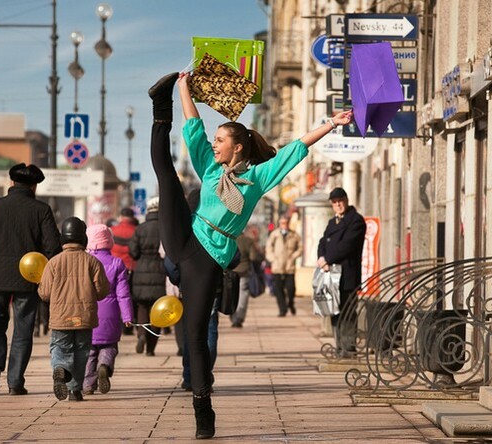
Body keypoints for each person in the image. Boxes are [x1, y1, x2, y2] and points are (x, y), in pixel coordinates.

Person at [147, 70, 352, 439]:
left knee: (194, 332)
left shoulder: (256, 178)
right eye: (215, 140)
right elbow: (193, 127)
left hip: (209, 255)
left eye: (221, 140)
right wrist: (182, 88)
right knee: (166, 176)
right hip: (187, 235)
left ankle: (202, 407)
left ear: (237, 147)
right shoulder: (209, 168)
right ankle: (159, 106)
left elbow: (294, 151)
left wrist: (331, 124)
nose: (214, 144)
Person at [0, 163, 61, 396]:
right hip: (28, 281)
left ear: (11, 183)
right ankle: (15, 381)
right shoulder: (41, 210)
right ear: (34, 186)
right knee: (23, 329)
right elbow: (53, 249)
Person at [38, 217, 110, 401]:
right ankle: (75, 391)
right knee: (81, 351)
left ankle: (60, 369)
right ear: (83, 239)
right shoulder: (92, 262)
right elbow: (102, 291)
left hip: (61, 317)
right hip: (84, 317)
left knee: (60, 347)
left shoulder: (53, 263)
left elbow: (44, 294)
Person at [83, 224, 133, 395]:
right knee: (109, 346)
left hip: (89, 313)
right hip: (111, 314)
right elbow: (123, 294)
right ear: (109, 241)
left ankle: (88, 385)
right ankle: (104, 366)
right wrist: (127, 316)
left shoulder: (86, 262)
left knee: (89, 352)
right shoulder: (117, 263)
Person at [317, 187, 366, 357]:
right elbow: (323, 241)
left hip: (347, 276)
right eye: (334, 202)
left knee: (347, 312)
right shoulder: (333, 222)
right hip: (332, 275)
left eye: (340, 201)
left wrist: (327, 259)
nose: (338, 205)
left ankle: (348, 348)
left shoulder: (356, 221)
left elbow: (347, 246)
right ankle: (339, 347)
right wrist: (321, 257)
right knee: (334, 312)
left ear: (346, 200)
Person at [129, 197, 166, 356]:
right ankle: (150, 349)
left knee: (142, 307)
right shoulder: (166, 228)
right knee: (157, 311)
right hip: (161, 272)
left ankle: (142, 334)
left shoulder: (140, 229)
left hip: (141, 271)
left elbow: (133, 252)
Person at [265, 216, 302, 317]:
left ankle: (290, 303)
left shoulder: (294, 235)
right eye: (282, 223)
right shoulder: (274, 235)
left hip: (289, 266)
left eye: (286, 223)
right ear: (279, 224)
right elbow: (268, 247)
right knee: (278, 289)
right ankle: (282, 309)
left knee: (291, 288)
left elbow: (300, 247)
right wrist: (272, 259)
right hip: (277, 266)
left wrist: (294, 256)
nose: (284, 225)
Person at [111, 207, 138, 336]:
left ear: (121, 217)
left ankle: (118, 323)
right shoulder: (136, 231)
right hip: (131, 267)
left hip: (114, 267)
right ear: (132, 217)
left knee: (115, 297)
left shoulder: (113, 231)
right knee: (129, 297)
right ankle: (129, 325)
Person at [230, 231, 261, 327]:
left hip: (231, 271)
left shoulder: (229, 239)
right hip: (244, 271)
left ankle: (233, 316)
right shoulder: (248, 241)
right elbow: (253, 257)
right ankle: (239, 317)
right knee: (243, 294)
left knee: (231, 294)